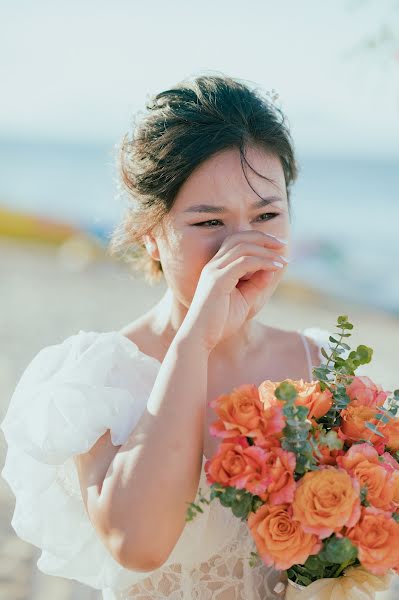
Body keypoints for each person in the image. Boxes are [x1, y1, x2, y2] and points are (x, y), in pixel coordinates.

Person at [0, 73, 336, 599]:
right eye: (209, 223)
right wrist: (194, 342)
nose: (242, 247)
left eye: (267, 215)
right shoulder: (100, 378)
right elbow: (139, 544)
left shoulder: (320, 364)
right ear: (150, 234)